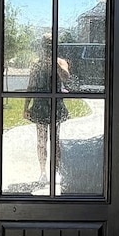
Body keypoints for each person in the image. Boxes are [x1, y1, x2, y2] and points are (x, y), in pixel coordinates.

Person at [23, 34, 71, 187]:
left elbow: (66, 78)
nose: (47, 47)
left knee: (55, 141)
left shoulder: (61, 62)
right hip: (40, 105)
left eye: (50, 44)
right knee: (41, 141)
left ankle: (55, 172)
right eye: (46, 44)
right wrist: (25, 106)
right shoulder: (36, 64)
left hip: (55, 105)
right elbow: (31, 85)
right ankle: (43, 171)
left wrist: (55, 65)